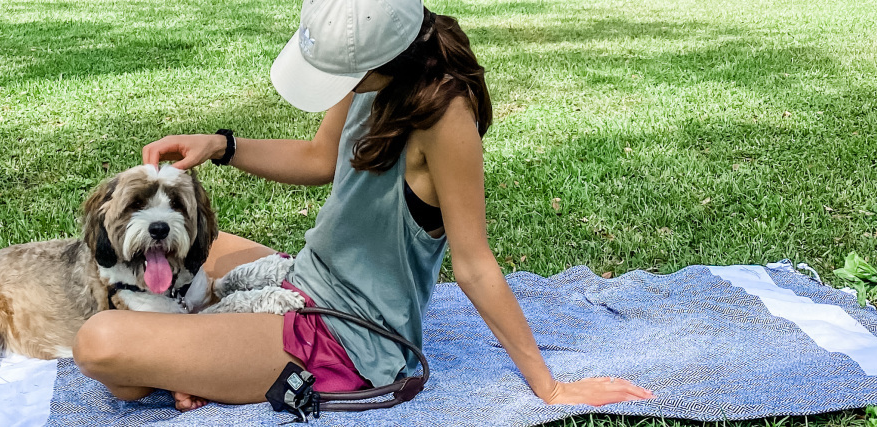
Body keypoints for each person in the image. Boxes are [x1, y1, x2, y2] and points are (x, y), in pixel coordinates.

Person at [72, 0, 655, 411]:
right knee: (204, 251)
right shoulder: (381, 61)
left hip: (347, 337)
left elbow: (474, 264)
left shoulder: (447, 121)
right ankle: (193, 356)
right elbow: (320, 158)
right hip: (303, 278)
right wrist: (222, 146)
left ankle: (189, 358)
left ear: (380, 63)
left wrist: (550, 388)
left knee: (102, 345)